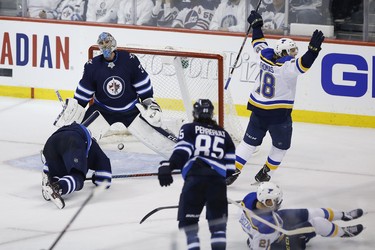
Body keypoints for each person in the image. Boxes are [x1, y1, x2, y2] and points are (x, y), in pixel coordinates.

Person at [226, 11, 325, 185]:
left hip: (258, 109)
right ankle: (266, 172)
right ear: (284, 53)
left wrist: (256, 26)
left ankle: (233, 171)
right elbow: (304, 64)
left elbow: (258, 42)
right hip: (278, 115)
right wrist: (313, 52)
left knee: (248, 143)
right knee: (280, 146)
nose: (294, 53)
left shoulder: (265, 56)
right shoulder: (286, 68)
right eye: (292, 51)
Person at [54, 32, 176, 159]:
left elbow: (142, 84)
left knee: (160, 136)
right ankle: (62, 158)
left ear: (113, 42)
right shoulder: (92, 66)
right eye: (101, 43)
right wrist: (74, 109)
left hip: (131, 109)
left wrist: (149, 102)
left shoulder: (129, 60)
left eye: (107, 42)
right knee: (79, 135)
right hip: (102, 110)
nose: (105, 46)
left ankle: (183, 156)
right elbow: (83, 94)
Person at [157, 99, 236, 250]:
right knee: (218, 227)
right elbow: (231, 170)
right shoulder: (225, 135)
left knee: (188, 224)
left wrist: (169, 165)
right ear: (212, 114)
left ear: (195, 113)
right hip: (218, 184)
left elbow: (182, 152)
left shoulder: (189, 128)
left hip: (195, 180)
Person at [238, 182, 364, 249]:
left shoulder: (250, 199)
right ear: (267, 201)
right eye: (275, 201)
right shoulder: (266, 228)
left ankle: (344, 215)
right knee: (317, 222)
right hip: (279, 243)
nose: (278, 203)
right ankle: (344, 232)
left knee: (312, 212)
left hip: (275, 224)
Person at [41, 122, 112, 209]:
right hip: (72, 140)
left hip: (51, 142)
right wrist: (96, 178)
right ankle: (57, 188)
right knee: (77, 176)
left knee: (59, 170)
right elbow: (105, 180)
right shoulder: (92, 145)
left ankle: (50, 177)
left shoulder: (77, 133)